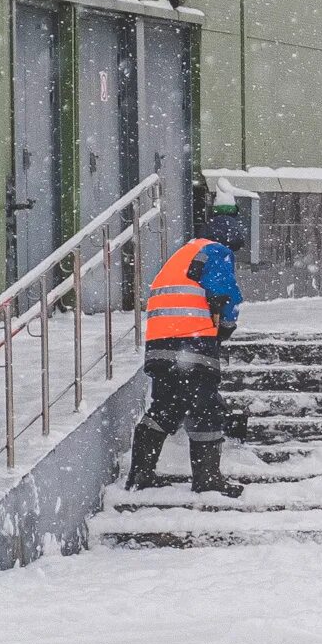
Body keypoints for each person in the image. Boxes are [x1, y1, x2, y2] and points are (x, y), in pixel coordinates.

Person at [124, 196, 247, 497]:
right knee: (205, 409)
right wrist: (226, 326)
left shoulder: (185, 252)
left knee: (166, 407)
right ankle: (207, 479)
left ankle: (141, 473)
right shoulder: (217, 252)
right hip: (192, 344)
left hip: (161, 345)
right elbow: (224, 293)